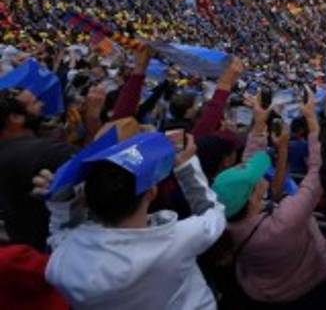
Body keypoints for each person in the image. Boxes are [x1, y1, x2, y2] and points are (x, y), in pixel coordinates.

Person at [43, 131, 228, 309]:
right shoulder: (180, 239)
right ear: (151, 192)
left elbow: (60, 232)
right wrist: (186, 165)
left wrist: (61, 200)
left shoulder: (62, 260)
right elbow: (213, 213)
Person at [212, 92, 326, 308]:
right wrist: (312, 120)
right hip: (308, 293)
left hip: (257, 294)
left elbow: (248, 164)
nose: (258, 172)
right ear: (254, 196)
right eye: (256, 176)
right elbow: (317, 171)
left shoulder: (225, 220)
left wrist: (260, 123)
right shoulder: (286, 218)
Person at [0, 87, 76, 250]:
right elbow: (103, 168)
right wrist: (93, 121)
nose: (41, 104)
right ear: (15, 118)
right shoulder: (46, 152)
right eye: (34, 103)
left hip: (25, 245)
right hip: (55, 248)